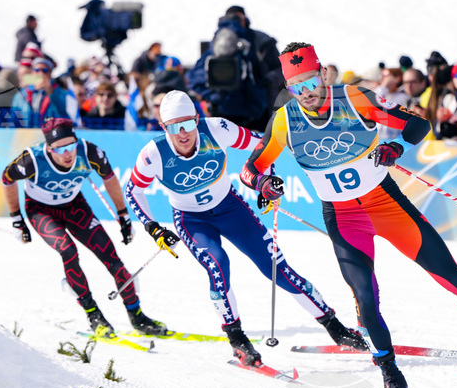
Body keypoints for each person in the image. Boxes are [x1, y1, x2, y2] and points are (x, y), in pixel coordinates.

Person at [240, 43, 457, 388]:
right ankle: (390, 371)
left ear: (323, 75)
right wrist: (264, 184)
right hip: (344, 219)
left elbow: (417, 124)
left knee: (448, 273)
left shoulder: (357, 97)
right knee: (365, 299)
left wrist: (394, 147)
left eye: (311, 81)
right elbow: (250, 169)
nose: (307, 92)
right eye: (297, 86)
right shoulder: (284, 120)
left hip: (385, 203)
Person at [124, 91, 365, 366]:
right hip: (192, 220)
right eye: (174, 127)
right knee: (218, 265)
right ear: (163, 127)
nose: (183, 134)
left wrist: (267, 180)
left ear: (196, 119)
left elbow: (264, 145)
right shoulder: (153, 154)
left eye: (188, 124)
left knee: (276, 268)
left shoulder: (216, 129)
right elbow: (134, 191)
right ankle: (237, 339)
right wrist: (153, 227)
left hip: (230, 208)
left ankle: (336, 328)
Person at [2, 118, 166, 336]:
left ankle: (137, 316)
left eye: (72, 145)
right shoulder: (31, 159)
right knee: (68, 251)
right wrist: (16, 218)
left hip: (74, 207)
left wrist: (123, 215)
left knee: (112, 258)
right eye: (61, 148)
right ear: (49, 149)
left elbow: (109, 179)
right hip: (41, 211)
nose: (68, 153)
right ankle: (93, 314)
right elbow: (7, 178)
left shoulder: (89, 152)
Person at [11, 57, 78, 127]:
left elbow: (65, 116)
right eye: (37, 70)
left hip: (51, 135)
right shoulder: (21, 95)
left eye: (45, 70)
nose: (41, 74)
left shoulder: (61, 93)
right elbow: (13, 119)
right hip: (26, 135)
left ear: (50, 73)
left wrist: (51, 93)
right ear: (32, 73)